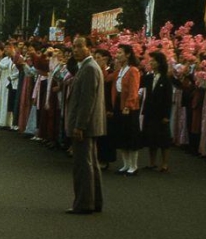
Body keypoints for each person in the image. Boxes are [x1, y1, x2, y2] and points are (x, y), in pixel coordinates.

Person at [65, 36, 105, 215]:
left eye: (80, 46)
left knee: (83, 165)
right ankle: (94, 201)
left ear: (89, 48)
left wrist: (79, 126)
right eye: (74, 46)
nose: (75, 50)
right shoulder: (88, 67)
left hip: (85, 125)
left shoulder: (89, 68)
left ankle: (83, 203)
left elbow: (86, 101)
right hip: (90, 124)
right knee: (91, 164)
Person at [106, 43, 142, 176]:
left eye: (120, 53)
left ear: (128, 54)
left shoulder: (133, 70)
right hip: (118, 105)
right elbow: (107, 79)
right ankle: (125, 164)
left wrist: (128, 105)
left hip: (128, 107)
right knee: (121, 135)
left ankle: (133, 166)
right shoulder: (119, 70)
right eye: (117, 53)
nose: (118, 55)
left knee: (131, 136)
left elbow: (133, 90)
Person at [141, 51, 174, 172]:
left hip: (161, 113)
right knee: (151, 138)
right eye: (151, 60)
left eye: (154, 60)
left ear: (160, 63)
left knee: (164, 139)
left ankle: (164, 164)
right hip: (150, 112)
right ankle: (152, 162)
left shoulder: (166, 79)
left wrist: (167, 115)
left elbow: (168, 99)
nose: (151, 62)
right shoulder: (148, 77)